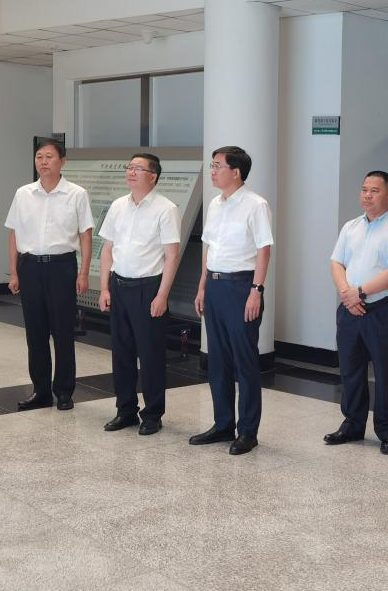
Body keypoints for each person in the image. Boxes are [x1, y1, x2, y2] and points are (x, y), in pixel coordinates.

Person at [190, 146, 273, 456]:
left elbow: (264, 250)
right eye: (212, 165)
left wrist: (256, 290)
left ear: (236, 172)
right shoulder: (215, 203)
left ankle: (248, 432)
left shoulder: (256, 205)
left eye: (217, 166)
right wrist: (202, 287)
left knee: (244, 361)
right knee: (218, 360)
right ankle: (223, 424)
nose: (212, 171)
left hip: (241, 287)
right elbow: (209, 248)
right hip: (214, 285)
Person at [324, 171, 388, 455]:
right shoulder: (351, 227)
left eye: (374, 191)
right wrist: (347, 293)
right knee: (350, 370)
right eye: (364, 189)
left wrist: (360, 292)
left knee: (387, 373)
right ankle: (352, 425)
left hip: (381, 309)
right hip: (349, 309)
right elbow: (336, 262)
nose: (367, 195)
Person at [4, 139, 93, 412]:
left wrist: (84, 272)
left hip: (61, 267)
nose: (43, 162)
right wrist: (14, 272)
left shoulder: (76, 194)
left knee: (63, 331)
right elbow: (14, 233)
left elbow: (85, 235)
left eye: (49, 157)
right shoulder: (23, 193)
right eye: (39, 157)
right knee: (35, 333)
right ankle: (40, 391)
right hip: (30, 266)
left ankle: (64, 391)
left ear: (62, 161)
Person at [97, 153, 182, 436]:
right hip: (119, 286)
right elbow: (107, 249)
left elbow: (172, 256)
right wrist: (105, 287)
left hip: (149, 289)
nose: (131, 172)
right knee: (121, 353)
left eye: (138, 169)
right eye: (129, 168)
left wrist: (162, 295)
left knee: (150, 355)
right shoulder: (118, 206)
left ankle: (153, 414)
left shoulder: (165, 209)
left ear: (153, 176)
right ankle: (125, 410)